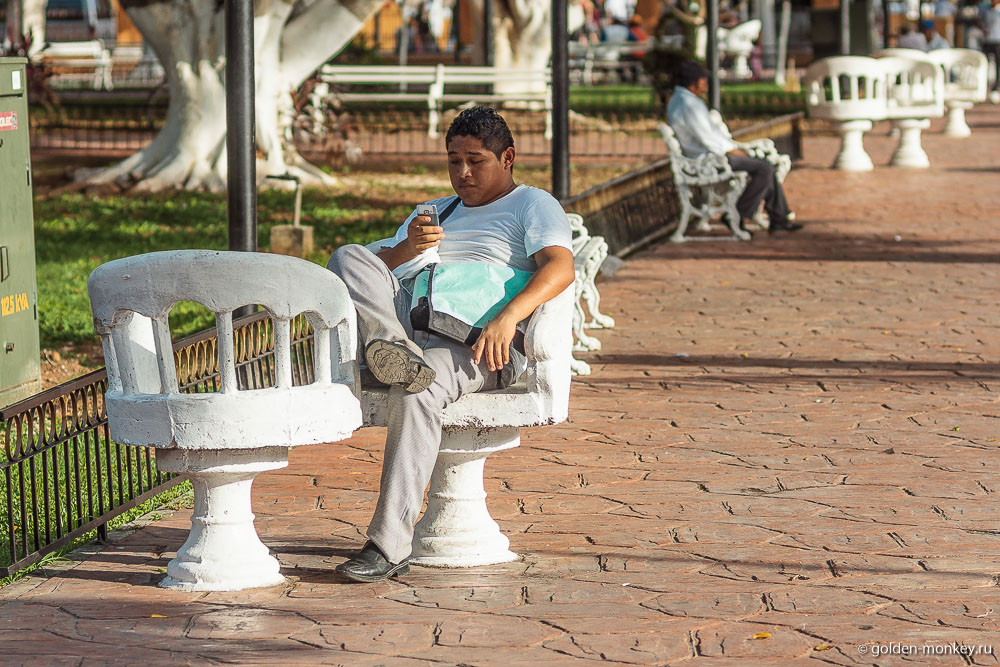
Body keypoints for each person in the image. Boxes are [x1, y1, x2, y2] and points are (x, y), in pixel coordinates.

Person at [327, 107, 575, 583]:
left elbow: (560, 267)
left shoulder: (532, 203)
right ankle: (391, 349)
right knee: (349, 256)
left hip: (476, 346)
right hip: (412, 329)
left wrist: (507, 319)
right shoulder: (437, 210)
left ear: (507, 158)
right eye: (453, 160)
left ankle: (387, 545)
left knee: (420, 390)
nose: (462, 172)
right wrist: (407, 249)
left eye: (475, 160)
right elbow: (374, 274)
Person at [666, 61, 800, 233]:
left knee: (764, 164)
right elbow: (707, 138)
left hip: (709, 155)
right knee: (764, 168)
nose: (706, 84)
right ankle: (737, 214)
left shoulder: (683, 100)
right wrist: (732, 151)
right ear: (695, 81)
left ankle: (779, 216)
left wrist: (734, 149)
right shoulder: (688, 104)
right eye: (703, 80)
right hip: (707, 160)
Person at [982, 0, 1000, 100]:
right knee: (985, 64)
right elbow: (981, 22)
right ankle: (985, 86)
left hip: (998, 41)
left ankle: (996, 87)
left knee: (998, 66)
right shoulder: (986, 10)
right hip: (987, 40)